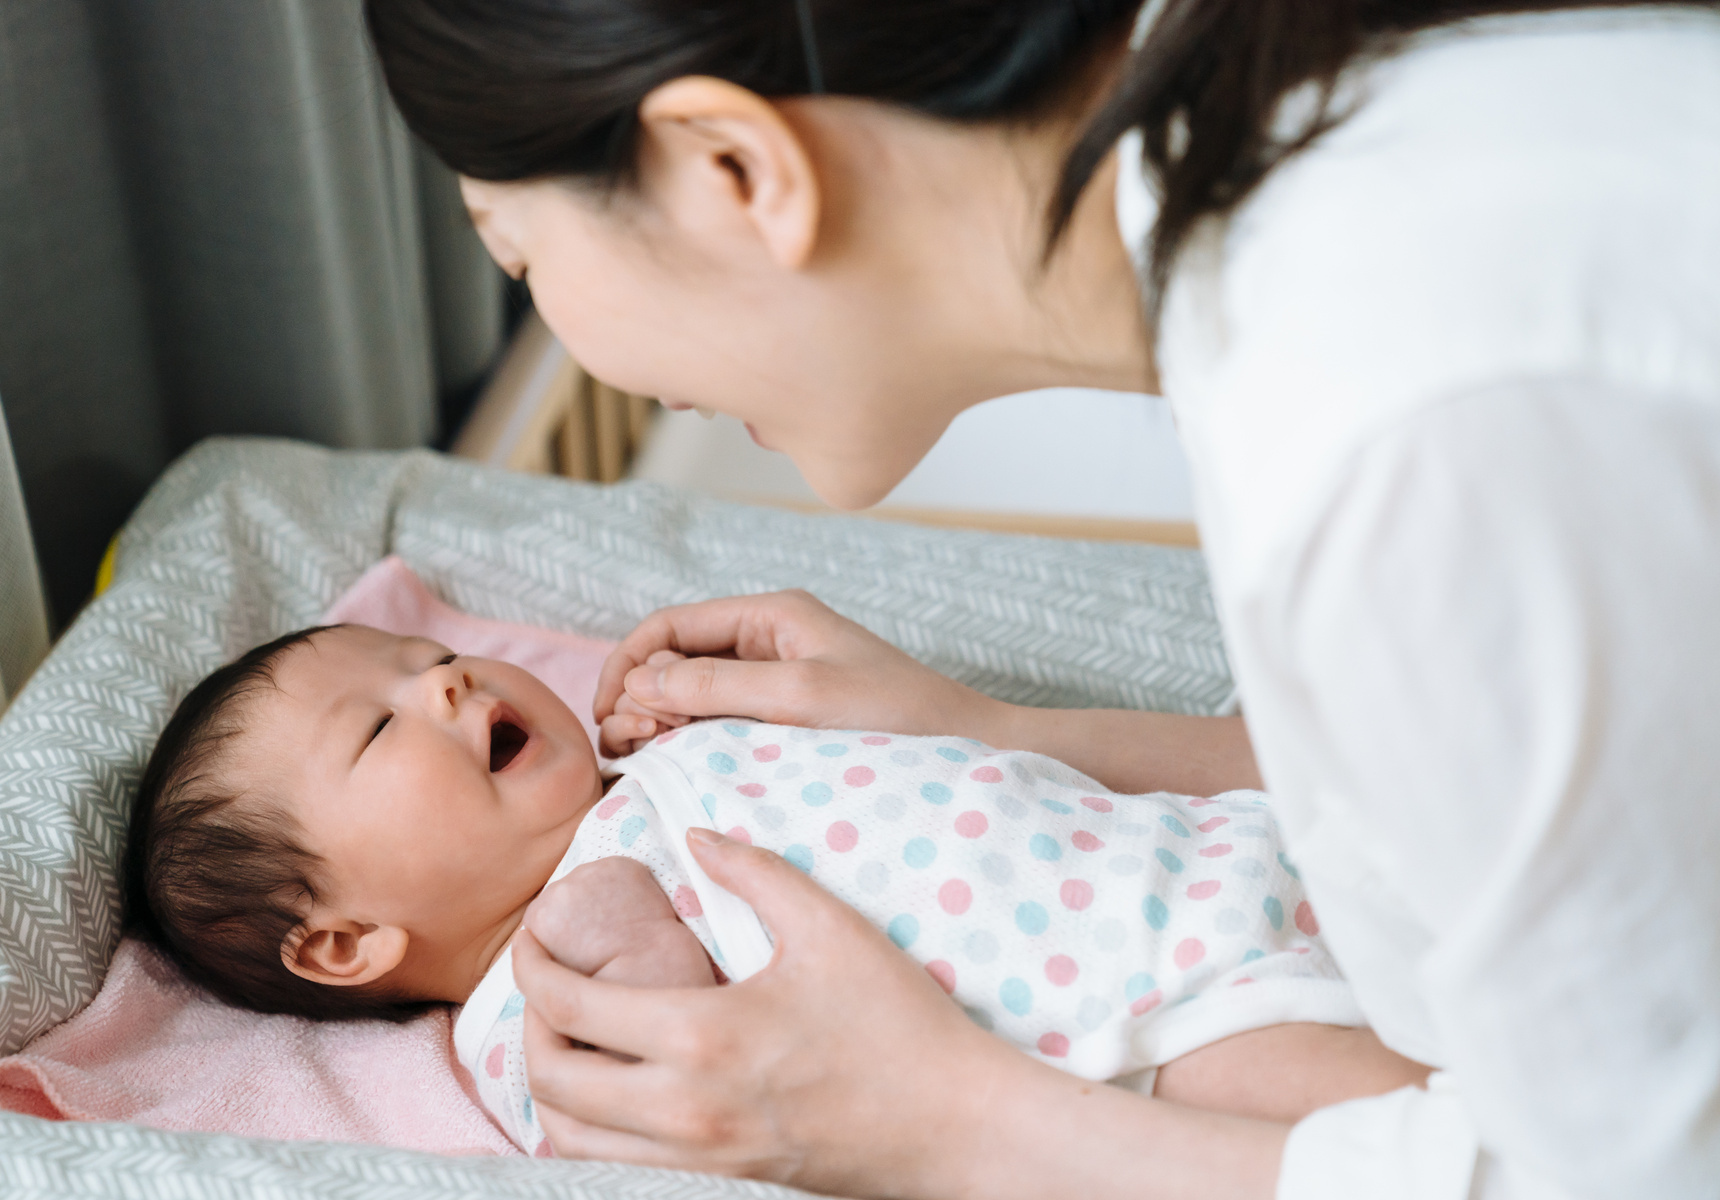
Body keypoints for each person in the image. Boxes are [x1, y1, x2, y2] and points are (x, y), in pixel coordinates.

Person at [362, 1, 1720, 1196]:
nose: (583, 354)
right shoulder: (1315, 192)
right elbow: (1499, 779)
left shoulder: (1404, 434)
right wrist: (994, 735)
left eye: (522, 258)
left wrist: (948, 1123)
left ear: (734, 168)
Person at [123, 622, 1424, 1157]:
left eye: (435, 656)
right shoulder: (532, 1015)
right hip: (1153, 1030)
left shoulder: (659, 772)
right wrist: (617, 936)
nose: (449, 684)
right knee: (1430, 1122)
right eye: (379, 731)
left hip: (1207, 847)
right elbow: (687, 1117)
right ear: (347, 942)